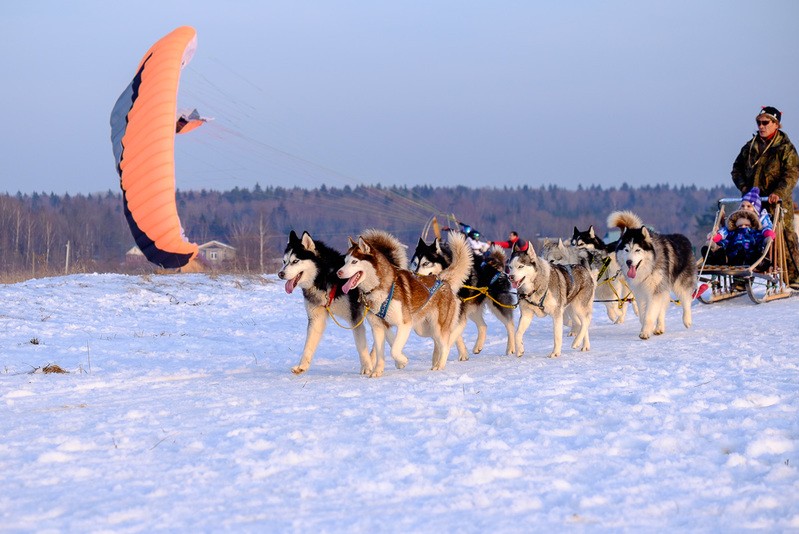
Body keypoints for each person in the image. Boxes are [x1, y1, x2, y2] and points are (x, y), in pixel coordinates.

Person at [731, 105, 799, 288]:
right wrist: (744, 188)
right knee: (744, 236)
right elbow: (736, 169)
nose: (761, 126)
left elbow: (792, 173)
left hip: (776, 202)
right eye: (758, 123)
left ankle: (793, 278)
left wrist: (779, 193)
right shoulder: (750, 146)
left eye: (765, 123)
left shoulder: (785, 148)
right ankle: (741, 278)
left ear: (776, 124)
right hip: (752, 203)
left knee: (785, 237)